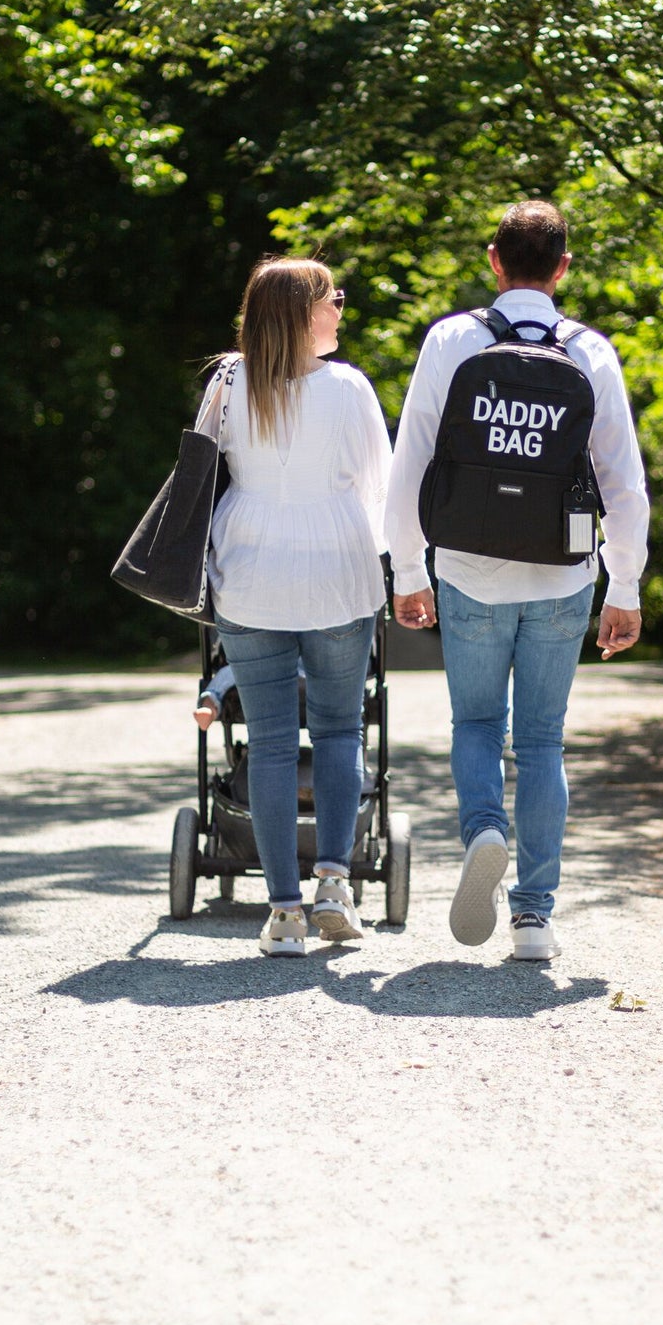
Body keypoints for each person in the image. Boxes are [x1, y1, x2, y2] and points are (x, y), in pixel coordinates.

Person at [386, 201, 649, 961]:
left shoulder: (451, 339)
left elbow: (413, 459)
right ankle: (533, 918)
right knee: (539, 741)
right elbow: (620, 479)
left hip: (465, 567)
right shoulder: (589, 350)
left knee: (474, 725)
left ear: (494, 261)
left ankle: (484, 833)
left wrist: (407, 566)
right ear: (562, 268)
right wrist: (622, 584)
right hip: (561, 571)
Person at [207, 256, 392, 957]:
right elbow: (379, 484)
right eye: (331, 300)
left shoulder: (227, 382)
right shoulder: (346, 388)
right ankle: (334, 882)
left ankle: (282, 911)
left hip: (250, 566)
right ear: (301, 312)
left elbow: (204, 469)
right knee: (341, 729)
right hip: (335, 568)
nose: (340, 311)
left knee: (274, 740)